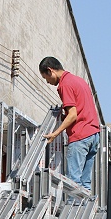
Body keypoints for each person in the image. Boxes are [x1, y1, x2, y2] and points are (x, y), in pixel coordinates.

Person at [38, 57, 100, 191]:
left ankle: (73, 210)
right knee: (85, 184)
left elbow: (73, 114)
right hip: (93, 134)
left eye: (46, 78)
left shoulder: (64, 84)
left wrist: (55, 133)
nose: (48, 82)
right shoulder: (79, 81)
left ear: (50, 71)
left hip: (80, 136)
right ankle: (84, 211)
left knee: (73, 183)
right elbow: (81, 108)